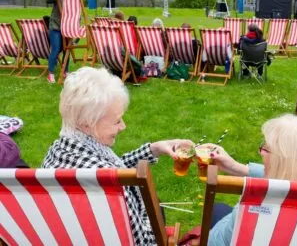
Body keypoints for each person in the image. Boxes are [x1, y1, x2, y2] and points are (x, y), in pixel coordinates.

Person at [42, 66, 194, 245]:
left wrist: (153, 149)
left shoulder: (58, 152)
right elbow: (143, 243)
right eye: (116, 121)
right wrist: (150, 206)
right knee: (158, 206)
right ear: (88, 123)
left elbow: (113, 167)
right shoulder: (110, 188)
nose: (123, 127)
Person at [207, 114, 297, 246]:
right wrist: (238, 168)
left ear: (284, 166)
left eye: (267, 149)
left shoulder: (255, 209)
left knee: (218, 209)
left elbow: (215, 242)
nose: (261, 153)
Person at [46, 0, 70, 84]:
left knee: (67, 48)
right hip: (55, 26)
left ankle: (65, 71)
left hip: (67, 27)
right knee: (55, 49)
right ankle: (50, 73)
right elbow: (47, 0)